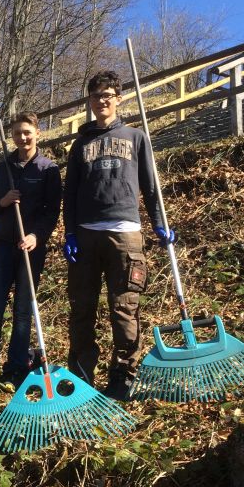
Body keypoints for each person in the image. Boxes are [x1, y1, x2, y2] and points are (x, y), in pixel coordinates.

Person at [62, 70, 174, 402]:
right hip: (86, 234)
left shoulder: (136, 138)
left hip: (125, 234)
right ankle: (81, 374)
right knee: (82, 307)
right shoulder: (81, 144)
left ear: (118, 98)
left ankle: (123, 376)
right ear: (90, 101)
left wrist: (158, 223)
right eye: (96, 96)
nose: (102, 101)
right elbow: (70, 194)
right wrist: (69, 232)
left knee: (124, 307)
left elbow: (151, 186)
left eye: (108, 95)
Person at [0, 111, 61, 389]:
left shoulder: (47, 169)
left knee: (22, 312)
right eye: (17, 133)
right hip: (4, 248)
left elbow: (52, 211)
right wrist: (4, 201)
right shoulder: (2, 169)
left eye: (27, 132)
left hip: (31, 250)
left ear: (37, 133)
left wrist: (36, 236)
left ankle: (16, 367)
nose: (22, 137)